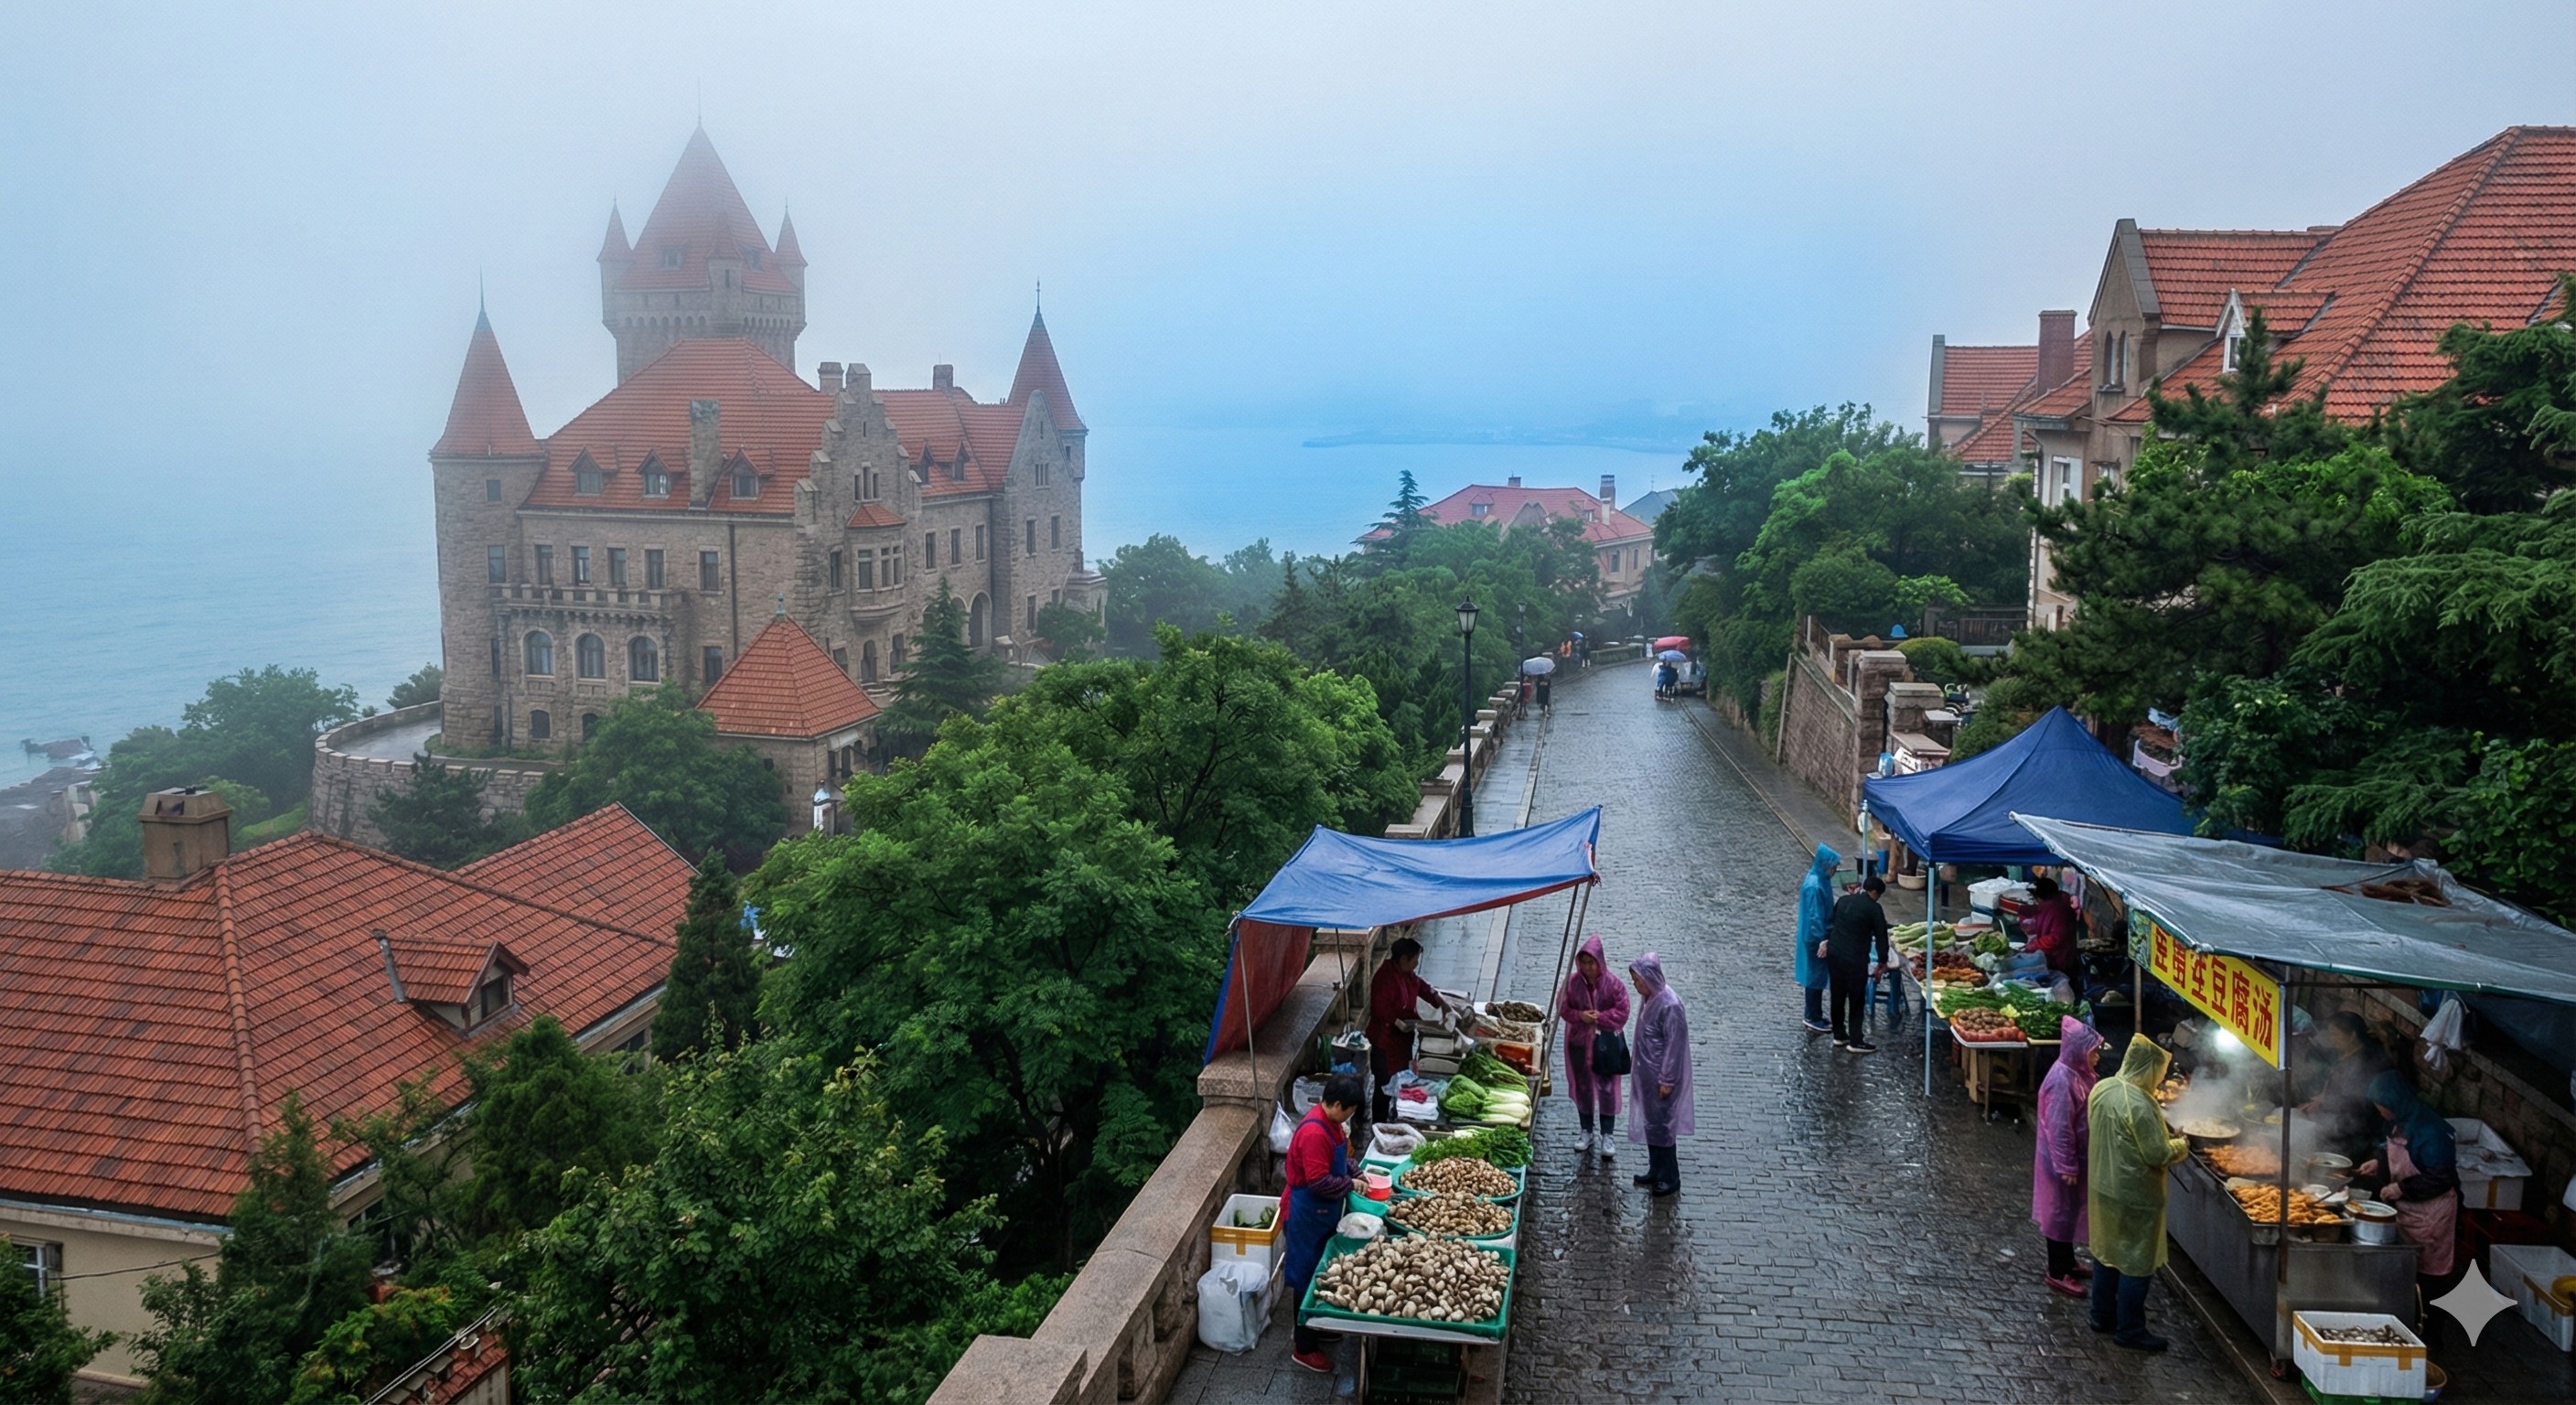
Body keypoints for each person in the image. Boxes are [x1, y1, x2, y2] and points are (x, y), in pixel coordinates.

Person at [2088, 1035, 2190, 1351]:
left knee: (2106, 1254)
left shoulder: (2102, 1087)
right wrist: (2182, 1144)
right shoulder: (2141, 1104)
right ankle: (2130, 1330)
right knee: (2136, 1263)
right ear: (2149, 1068)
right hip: (2135, 1196)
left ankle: (2101, 1316)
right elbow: (2157, 1154)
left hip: (2102, 1185)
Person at [2356, 1070, 2462, 1307]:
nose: (2380, 1111)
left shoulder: (2431, 1131)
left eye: (2382, 1106)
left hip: (2433, 1212)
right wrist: (2379, 1163)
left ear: (2395, 1101)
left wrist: (2401, 1188)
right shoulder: (2397, 1122)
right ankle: (2404, 1308)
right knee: (2407, 1263)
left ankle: (2431, 1324)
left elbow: (2441, 1177)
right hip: (2408, 1208)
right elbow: (2391, 1150)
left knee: (2430, 1272)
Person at [1282, 1072, 1363, 1373]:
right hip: (1306, 1213)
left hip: (1322, 1213)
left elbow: (1341, 1160)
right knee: (1304, 1277)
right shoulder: (1315, 1132)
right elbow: (1318, 1181)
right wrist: (1351, 1186)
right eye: (1350, 1111)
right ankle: (1303, 1347)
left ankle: (1316, 1325)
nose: (1350, 1117)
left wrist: (1355, 1172)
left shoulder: (1333, 1125)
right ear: (1338, 1104)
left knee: (1321, 1270)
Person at [2033, 1016, 2104, 1296]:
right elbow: (2059, 1128)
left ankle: (2068, 1261)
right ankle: (2057, 1270)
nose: (2098, 1057)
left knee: (2070, 1211)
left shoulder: (2079, 1073)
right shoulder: (2062, 1081)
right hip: (2059, 1163)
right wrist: (2066, 1166)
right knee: (2059, 1213)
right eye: (2094, 1052)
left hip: (2074, 1159)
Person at [1625, 952, 1694, 1196]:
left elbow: (1675, 1047)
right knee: (1652, 1125)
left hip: (1661, 1080)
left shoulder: (1670, 1005)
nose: (1635, 985)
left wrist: (1667, 1080)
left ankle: (1670, 1176)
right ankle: (1655, 1169)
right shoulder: (1650, 998)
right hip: (1646, 1076)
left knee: (1664, 1127)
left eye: (1637, 980)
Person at [1365, 937, 1454, 1121]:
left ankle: (1398, 1112)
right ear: (1403, 959)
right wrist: (1397, 1022)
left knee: (1400, 1080)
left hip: (1402, 1042)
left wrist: (1441, 1002)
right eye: (1414, 960)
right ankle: (1379, 1124)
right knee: (1384, 1085)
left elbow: (1421, 987)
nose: (1417, 964)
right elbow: (1379, 1008)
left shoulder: (1407, 973)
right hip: (1385, 1042)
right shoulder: (1384, 977)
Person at [1558, 934, 1631, 1157]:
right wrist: (1581, 1016)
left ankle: (1607, 1134)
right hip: (1578, 1044)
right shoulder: (1572, 983)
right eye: (1584, 963)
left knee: (1607, 1089)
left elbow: (1622, 1011)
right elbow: (1562, 1008)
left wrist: (1599, 1017)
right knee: (1583, 1087)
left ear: (1600, 962)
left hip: (1605, 1046)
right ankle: (1586, 1130)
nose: (1588, 968)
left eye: (1592, 962)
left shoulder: (1614, 984)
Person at [2301, 1012, 2392, 1161]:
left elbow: (2362, 1101)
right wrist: (2323, 1098)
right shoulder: (2344, 1053)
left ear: (2353, 1035)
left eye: (2336, 1034)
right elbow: (2339, 1086)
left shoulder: (2368, 1063)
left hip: (2356, 1130)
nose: (2332, 1039)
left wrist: (2327, 1100)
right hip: (2338, 1118)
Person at [1821, 875, 1894, 1053]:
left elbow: (1833, 923)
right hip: (1854, 959)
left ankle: (1839, 1034)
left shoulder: (1844, 900)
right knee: (1856, 999)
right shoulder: (1874, 908)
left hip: (1835, 953)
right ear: (1875, 892)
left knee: (1837, 995)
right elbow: (1881, 937)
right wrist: (1883, 961)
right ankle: (1856, 1040)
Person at [1794, 844, 1842, 1033]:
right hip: (1815, 937)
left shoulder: (1819, 880)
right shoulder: (1815, 885)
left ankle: (1815, 1013)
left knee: (1816, 977)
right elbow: (1815, 916)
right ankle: (1811, 1015)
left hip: (1816, 935)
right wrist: (1822, 938)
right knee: (1814, 978)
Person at [2018, 875, 2081, 980]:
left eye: (2036, 896)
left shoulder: (2058, 910)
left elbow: (2056, 938)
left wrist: (2034, 945)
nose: (2036, 900)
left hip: (2060, 960)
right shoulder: (2052, 905)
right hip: (2055, 958)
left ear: (2041, 896)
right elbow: (2038, 916)